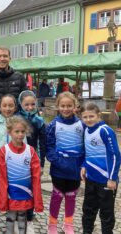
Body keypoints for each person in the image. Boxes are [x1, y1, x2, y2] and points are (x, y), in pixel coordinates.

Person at [0, 116, 43, 234]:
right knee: (11, 216)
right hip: (11, 192)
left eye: (22, 131)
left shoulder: (30, 151)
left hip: (25, 192)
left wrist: (36, 196)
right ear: (9, 132)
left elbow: (36, 176)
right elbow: (1, 176)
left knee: (23, 216)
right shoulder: (4, 151)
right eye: (17, 131)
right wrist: (3, 196)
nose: (20, 135)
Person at [46, 92, 85, 234]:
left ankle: (68, 223)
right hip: (59, 168)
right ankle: (52, 224)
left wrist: (83, 165)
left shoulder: (82, 124)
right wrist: (57, 161)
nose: (66, 109)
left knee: (71, 197)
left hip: (75, 168)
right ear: (58, 107)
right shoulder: (52, 125)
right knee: (56, 196)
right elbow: (49, 146)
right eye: (63, 106)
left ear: (75, 107)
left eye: (69, 106)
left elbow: (86, 146)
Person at [80, 103, 120, 234]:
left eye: (91, 116)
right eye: (85, 117)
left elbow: (115, 155)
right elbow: (88, 152)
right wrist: (84, 166)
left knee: (106, 213)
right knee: (88, 210)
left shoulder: (105, 130)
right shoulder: (86, 129)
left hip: (106, 180)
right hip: (91, 178)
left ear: (98, 115)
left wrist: (112, 178)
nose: (88, 119)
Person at [17, 90, 46, 233]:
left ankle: (29, 220)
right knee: (17, 189)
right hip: (17, 161)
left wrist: (41, 164)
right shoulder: (16, 119)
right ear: (20, 104)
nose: (29, 107)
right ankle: (17, 220)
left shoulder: (39, 121)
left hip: (33, 161)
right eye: (26, 104)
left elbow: (42, 144)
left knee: (31, 191)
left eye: (32, 104)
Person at [0, 94, 18, 234]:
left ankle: (10, 223)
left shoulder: (19, 124)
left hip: (14, 168)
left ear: (15, 107)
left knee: (13, 196)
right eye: (4, 105)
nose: (7, 108)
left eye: (10, 105)